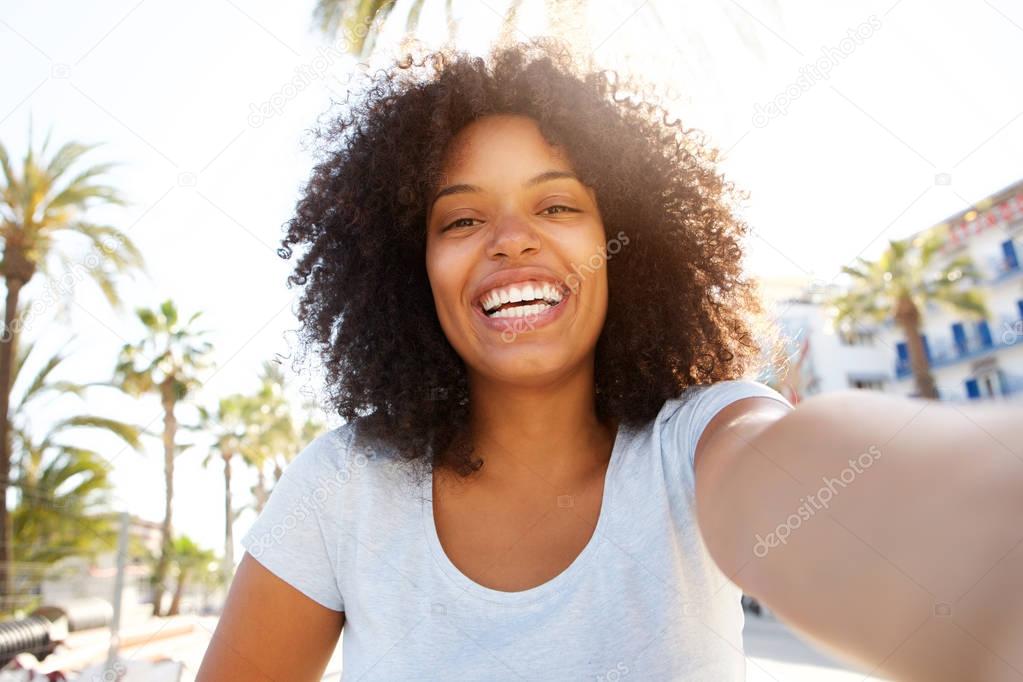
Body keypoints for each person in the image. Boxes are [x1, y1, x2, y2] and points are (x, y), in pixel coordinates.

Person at [197, 39, 1022, 681]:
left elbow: (814, 471)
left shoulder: (695, 441)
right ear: (406, 272)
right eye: (458, 220)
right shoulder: (346, 486)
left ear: (625, 243)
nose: (511, 237)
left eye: (556, 204)